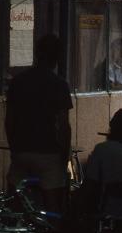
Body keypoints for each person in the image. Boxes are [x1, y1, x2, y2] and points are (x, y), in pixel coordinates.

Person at [5, 34, 72, 216]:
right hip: (48, 154)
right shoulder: (59, 84)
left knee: (15, 206)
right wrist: (64, 157)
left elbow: (9, 121)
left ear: (36, 54)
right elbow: (64, 126)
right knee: (53, 210)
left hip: (21, 152)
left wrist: (14, 149)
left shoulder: (18, 82)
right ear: (57, 58)